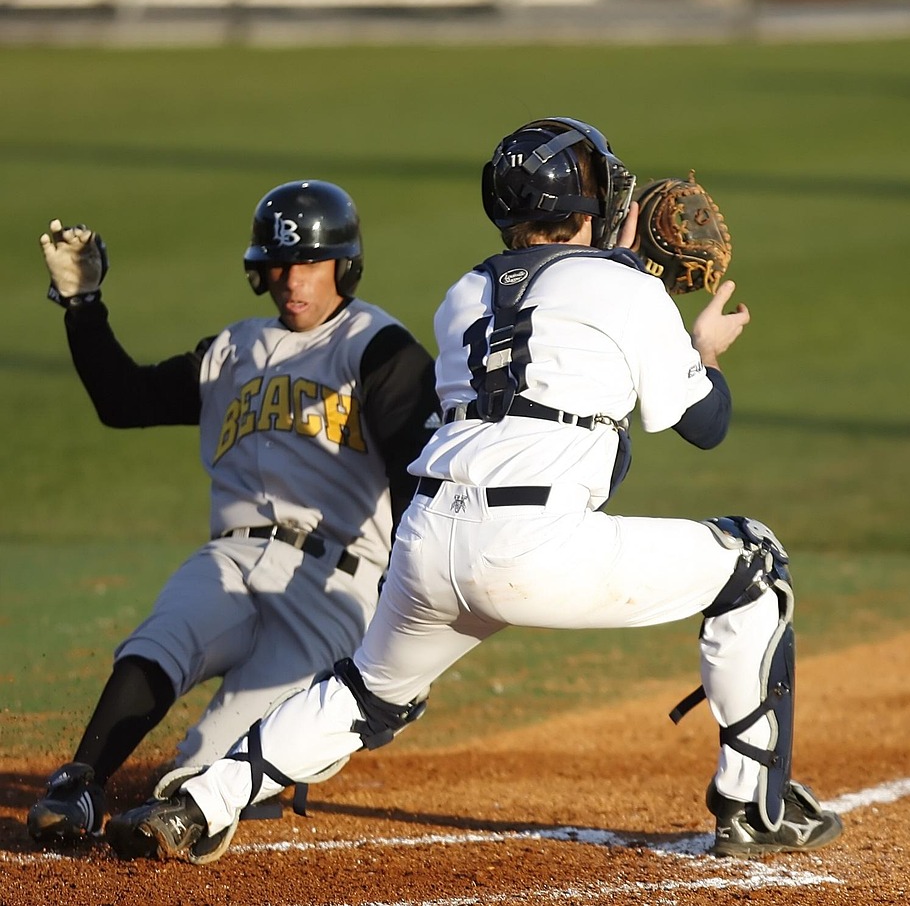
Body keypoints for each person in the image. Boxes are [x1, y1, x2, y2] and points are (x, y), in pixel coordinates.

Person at [105, 118, 842, 864]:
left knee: (366, 693)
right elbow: (706, 425)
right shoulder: (630, 289)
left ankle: (199, 804)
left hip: (428, 538)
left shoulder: (464, 293)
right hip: (536, 546)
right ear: (585, 202)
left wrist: (624, 283)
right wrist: (699, 349)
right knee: (753, 564)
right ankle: (753, 807)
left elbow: (555, 375)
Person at [27, 180, 441, 845]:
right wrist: (82, 305)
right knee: (165, 637)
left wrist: (406, 615)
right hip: (233, 557)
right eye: (279, 264)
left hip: (332, 587)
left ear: (344, 265)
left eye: (310, 263)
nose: (292, 281)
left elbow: (416, 472)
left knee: (203, 775)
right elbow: (123, 400)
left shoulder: (378, 347)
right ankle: (79, 784)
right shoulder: (232, 349)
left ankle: (186, 801)